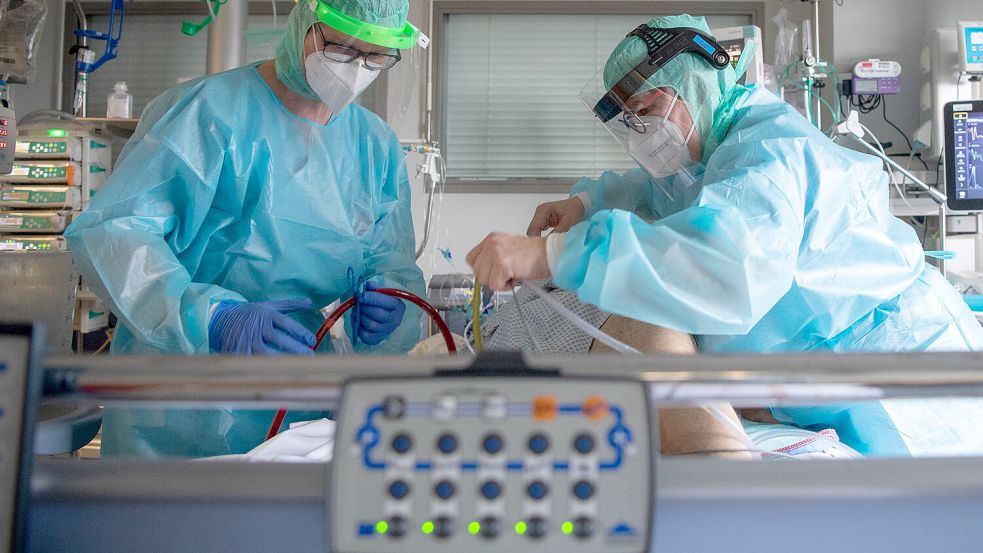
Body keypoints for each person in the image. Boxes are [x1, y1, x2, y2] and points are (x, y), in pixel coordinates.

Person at [467, 14, 983, 456]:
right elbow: (656, 194)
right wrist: (586, 203)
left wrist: (554, 255)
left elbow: (719, 262)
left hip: (902, 376)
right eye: (628, 122)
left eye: (644, 113)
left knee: (926, 518)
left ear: (694, 86)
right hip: (825, 385)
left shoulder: (770, 153)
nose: (639, 135)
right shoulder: (712, 156)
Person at [64, 0, 428, 457]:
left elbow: (387, 256)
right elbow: (114, 232)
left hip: (300, 394)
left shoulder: (374, 145)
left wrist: (387, 301)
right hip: (178, 401)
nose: (357, 69)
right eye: (340, 48)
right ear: (303, 21)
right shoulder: (208, 114)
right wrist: (211, 318)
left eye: (375, 57)